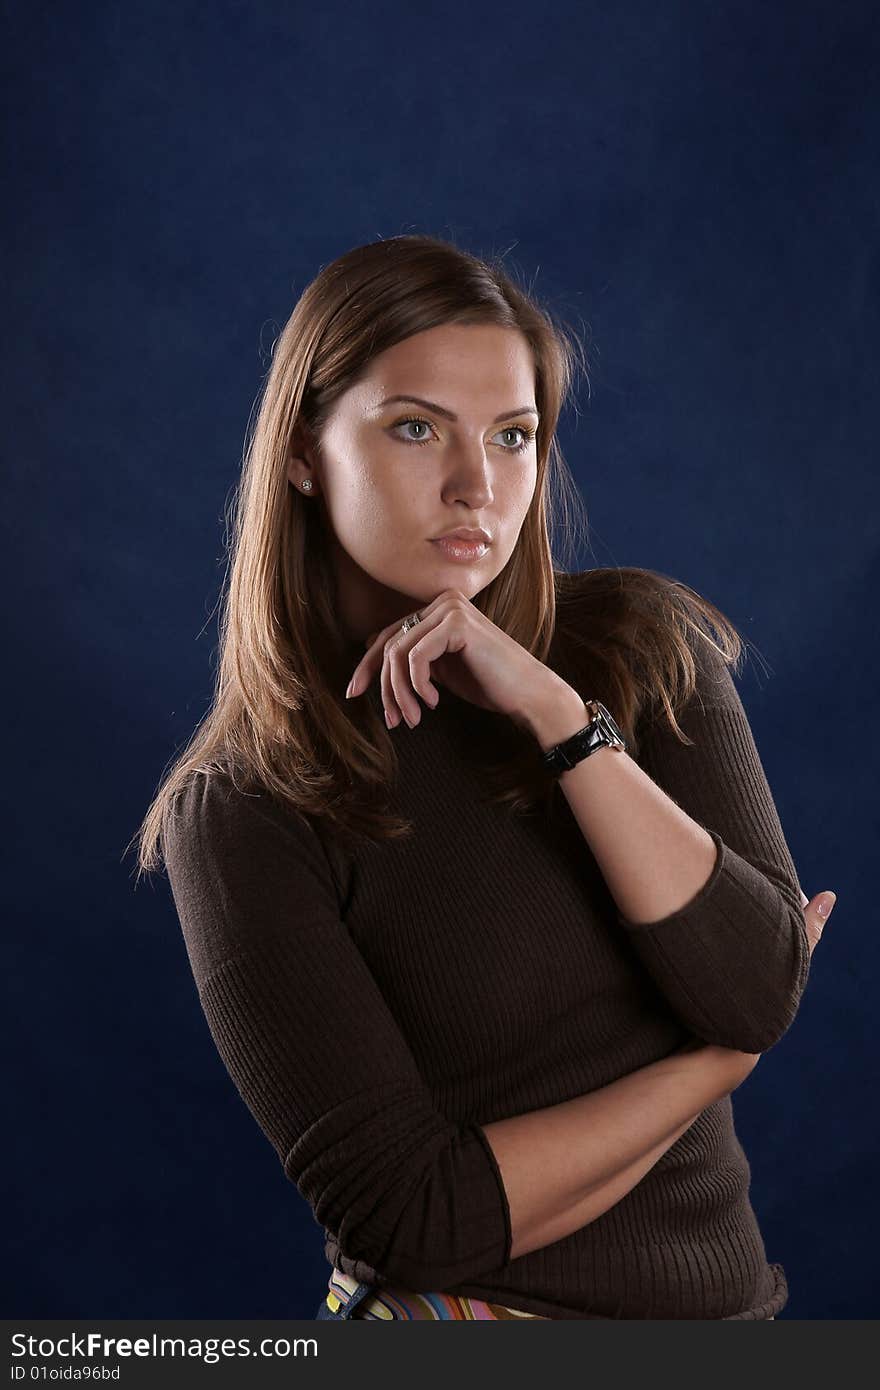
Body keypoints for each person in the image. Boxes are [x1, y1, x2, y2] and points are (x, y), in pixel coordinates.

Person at [133, 234, 836, 1321]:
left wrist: (560, 715)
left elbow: (750, 985)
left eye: (514, 437)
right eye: (415, 428)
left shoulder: (638, 652)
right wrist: (708, 1069)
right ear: (305, 450)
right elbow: (409, 1217)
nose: (477, 487)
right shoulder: (244, 808)